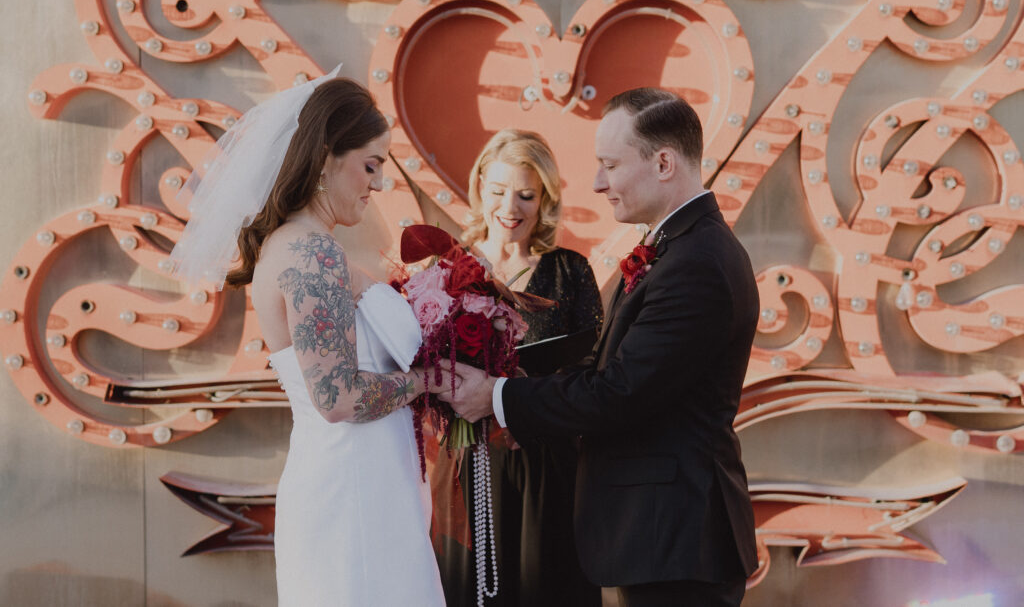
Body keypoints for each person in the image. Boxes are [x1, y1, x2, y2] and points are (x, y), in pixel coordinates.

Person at [443, 89, 760, 607]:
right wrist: (520, 395)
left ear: (663, 163)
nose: (597, 182)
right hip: (664, 537)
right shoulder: (682, 249)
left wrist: (496, 396)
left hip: (677, 540)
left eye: (610, 165)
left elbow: (621, 391)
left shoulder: (696, 263)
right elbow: (610, 370)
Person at [170, 71, 466, 606]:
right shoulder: (311, 253)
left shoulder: (303, 246)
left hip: (370, 483)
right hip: (351, 492)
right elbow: (338, 397)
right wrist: (429, 380)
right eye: (371, 165)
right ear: (327, 159)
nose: (379, 184)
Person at [431, 130, 603, 606]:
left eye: (526, 195)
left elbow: (591, 371)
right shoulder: (446, 270)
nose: (510, 207)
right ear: (479, 186)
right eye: (499, 191)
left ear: (544, 198)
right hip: (467, 462)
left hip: (546, 466)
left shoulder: (571, 270)